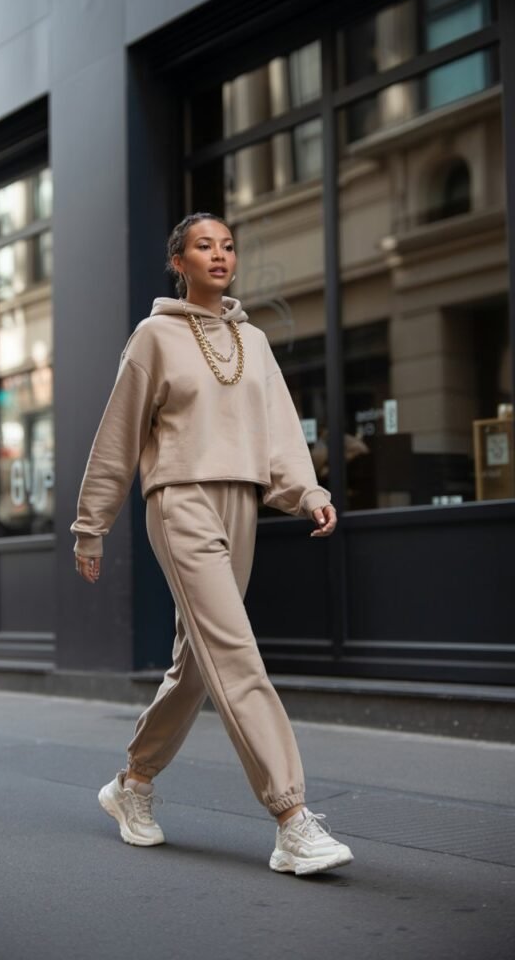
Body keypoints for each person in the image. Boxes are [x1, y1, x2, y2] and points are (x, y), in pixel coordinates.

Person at [71, 212, 354, 877]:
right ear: (180, 261)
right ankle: (292, 818)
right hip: (179, 501)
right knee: (234, 650)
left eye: (228, 245)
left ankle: (132, 784)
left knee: (199, 663)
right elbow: (117, 434)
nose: (220, 255)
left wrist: (306, 491)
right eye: (205, 246)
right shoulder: (153, 337)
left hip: (243, 502)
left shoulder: (252, 339)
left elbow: (280, 426)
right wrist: (93, 522)